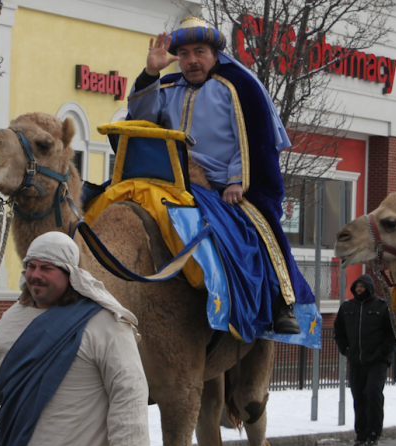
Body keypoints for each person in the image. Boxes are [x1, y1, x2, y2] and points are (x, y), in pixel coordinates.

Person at [126, 16, 315, 340]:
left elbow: (252, 140)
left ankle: (282, 301)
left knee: (259, 226)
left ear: (215, 55)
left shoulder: (236, 87)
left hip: (223, 184)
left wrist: (236, 181)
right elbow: (140, 121)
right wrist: (151, 73)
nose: (191, 60)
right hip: (172, 177)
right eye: (183, 54)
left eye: (199, 51)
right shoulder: (168, 88)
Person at [0, 232, 150, 446]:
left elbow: (129, 388)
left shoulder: (105, 322)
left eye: (46, 268)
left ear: (70, 273)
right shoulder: (13, 317)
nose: (35, 275)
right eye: (31, 266)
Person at [334, 275, 396, 446]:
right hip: (356, 361)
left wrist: (381, 354)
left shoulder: (383, 307)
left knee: (372, 393)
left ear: (369, 287)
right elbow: (338, 331)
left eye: (363, 286)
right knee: (358, 396)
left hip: (377, 362)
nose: (360, 288)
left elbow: (392, 335)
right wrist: (346, 350)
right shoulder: (347, 308)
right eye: (357, 286)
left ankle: (373, 435)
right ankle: (361, 435)